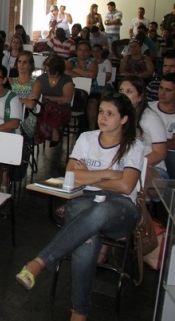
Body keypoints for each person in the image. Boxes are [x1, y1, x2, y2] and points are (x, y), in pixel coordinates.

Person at [16, 92, 144, 321]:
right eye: (102, 111)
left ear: (124, 119)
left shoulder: (133, 145)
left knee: (100, 211)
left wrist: (87, 175)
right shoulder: (86, 138)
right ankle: (79, 313)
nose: (102, 117)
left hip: (120, 208)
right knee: (87, 238)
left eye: (110, 114)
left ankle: (40, 262)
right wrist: (106, 174)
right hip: (84, 198)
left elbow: (126, 186)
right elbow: (70, 177)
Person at [119, 76, 168, 180]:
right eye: (121, 90)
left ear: (140, 97)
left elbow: (160, 153)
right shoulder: (116, 116)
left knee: (133, 177)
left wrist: (132, 165)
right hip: (121, 166)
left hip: (152, 168)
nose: (123, 95)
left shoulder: (150, 118)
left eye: (129, 91)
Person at [36, 54, 75, 147]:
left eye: (52, 71)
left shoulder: (67, 80)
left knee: (51, 107)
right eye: (47, 70)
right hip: (44, 108)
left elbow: (67, 99)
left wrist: (47, 98)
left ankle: (53, 132)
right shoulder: (41, 79)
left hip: (62, 110)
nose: (49, 73)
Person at [10, 51, 41, 145]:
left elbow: (31, 105)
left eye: (25, 62)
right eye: (19, 61)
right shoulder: (10, 80)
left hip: (27, 118)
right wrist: (24, 100)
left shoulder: (36, 83)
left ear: (30, 65)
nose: (21, 65)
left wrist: (13, 99)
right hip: (10, 113)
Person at [65, 41, 98, 131]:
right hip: (74, 91)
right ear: (76, 51)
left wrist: (75, 69)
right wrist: (83, 75)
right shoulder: (71, 60)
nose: (82, 52)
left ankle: (92, 128)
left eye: (85, 50)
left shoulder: (93, 61)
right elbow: (65, 71)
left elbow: (92, 75)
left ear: (90, 52)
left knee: (92, 104)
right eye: (80, 50)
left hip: (92, 91)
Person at [148, 73, 175, 151]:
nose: (162, 93)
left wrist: (150, 140)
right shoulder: (147, 107)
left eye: (168, 90)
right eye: (161, 88)